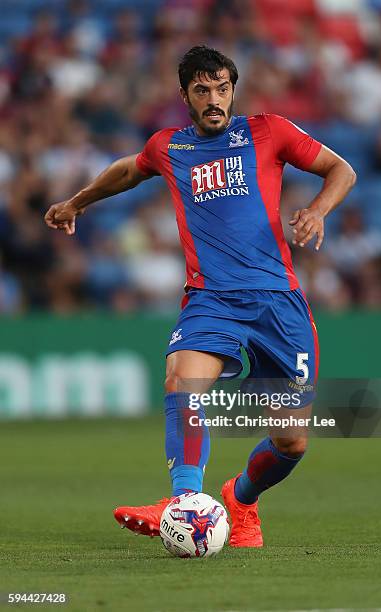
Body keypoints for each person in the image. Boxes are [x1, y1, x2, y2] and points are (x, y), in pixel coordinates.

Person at [44, 46, 356, 548]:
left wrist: (318, 210)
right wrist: (75, 202)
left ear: (233, 89)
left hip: (279, 303)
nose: (214, 99)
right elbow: (127, 170)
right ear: (185, 95)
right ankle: (183, 499)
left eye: (222, 88)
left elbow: (342, 170)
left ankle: (241, 498)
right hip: (212, 301)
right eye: (202, 90)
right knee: (181, 378)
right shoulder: (170, 147)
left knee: (291, 441)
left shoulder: (268, 131)